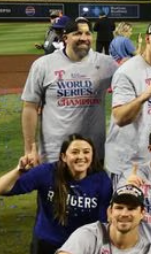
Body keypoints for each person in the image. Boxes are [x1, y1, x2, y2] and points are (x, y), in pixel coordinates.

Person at [0, 135, 112, 254]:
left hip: (82, 248)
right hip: (49, 245)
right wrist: (19, 171)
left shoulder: (101, 180)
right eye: (75, 152)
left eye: (86, 152)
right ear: (63, 157)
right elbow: (3, 188)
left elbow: (104, 221)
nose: (81, 156)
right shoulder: (47, 172)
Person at [22, 17, 117, 168]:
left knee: (93, 192)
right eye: (78, 33)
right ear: (65, 38)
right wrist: (29, 149)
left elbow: (129, 85)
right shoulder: (43, 65)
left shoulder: (107, 63)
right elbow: (30, 107)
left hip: (93, 152)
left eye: (87, 34)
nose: (84, 38)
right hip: (55, 153)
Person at [104, 20, 151, 179]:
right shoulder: (127, 72)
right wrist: (143, 97)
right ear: (147, 39)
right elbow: (120, 118)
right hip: (128, 164)